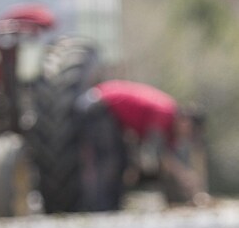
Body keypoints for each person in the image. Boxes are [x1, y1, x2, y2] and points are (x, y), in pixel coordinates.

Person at [79, 80, 209, 208]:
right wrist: (183, 175)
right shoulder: (165, 112)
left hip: (109, 112)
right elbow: (156, 152)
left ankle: (111, 206)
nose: (187, 136)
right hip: (100, 103)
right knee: (110, 161)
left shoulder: (171, 132)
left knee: (121, 162)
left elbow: (167, 158)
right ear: (185, 121)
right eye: (190, 131)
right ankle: (100, 208)